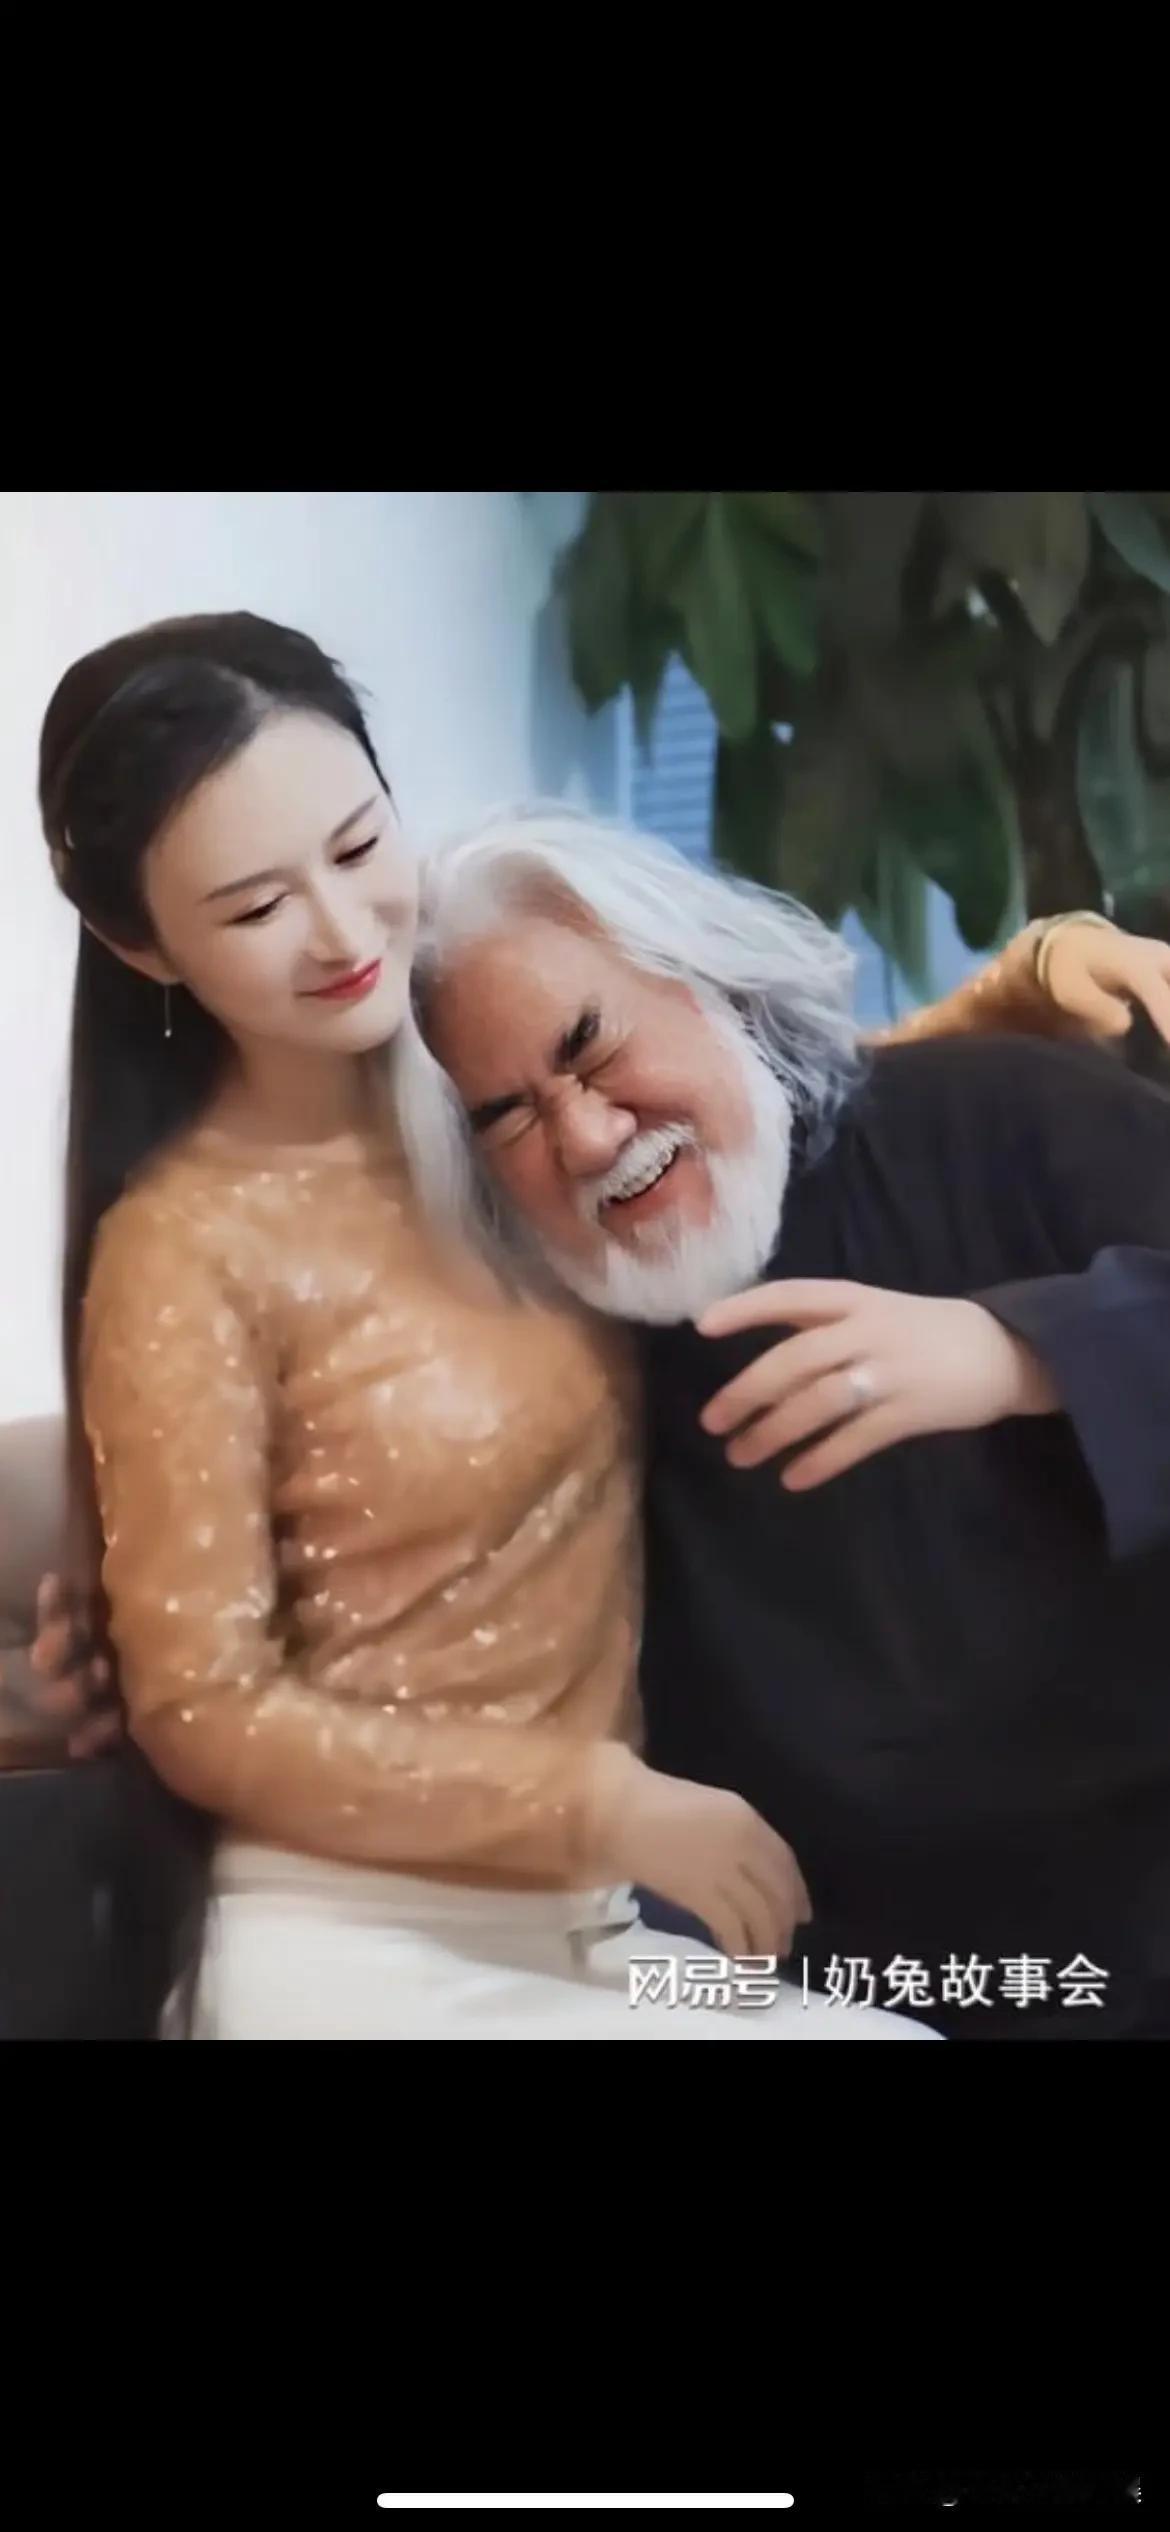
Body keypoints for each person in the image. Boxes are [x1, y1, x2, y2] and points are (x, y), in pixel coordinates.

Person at [33, 609, 939, 2042]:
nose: (345, 935)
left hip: (590, 1927)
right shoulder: (186, 1244)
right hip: (346, 1946)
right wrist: (599, 1802)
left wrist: (1011, 989)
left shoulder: (476, 1082)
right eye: (257, 912)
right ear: (139, 946)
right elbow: (201, 1707)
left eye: (357, 846)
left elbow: (696, 1082)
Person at [395, 804, 1170, 2041]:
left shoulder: (1004, 1113)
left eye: (592, 1046)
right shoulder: (548, 1384)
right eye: (509, 1118)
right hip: (832, 1988)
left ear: (704, 984)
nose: (589, 1134)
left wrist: (1023, 1352)